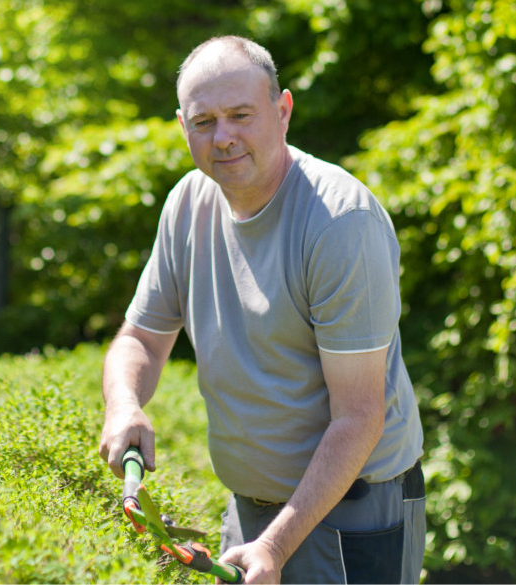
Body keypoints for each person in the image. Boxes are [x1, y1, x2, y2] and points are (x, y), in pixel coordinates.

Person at [97, 35, 425, 584]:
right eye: (204, 122)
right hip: (252, 507)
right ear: (183, 127)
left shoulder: (340, 223)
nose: (223, 138)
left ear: (283, 111)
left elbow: (359, 417)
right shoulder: (187, 205)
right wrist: (124, 404)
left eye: (241, 115)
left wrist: (273, 545)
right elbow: (141, 339)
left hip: (357, 509)